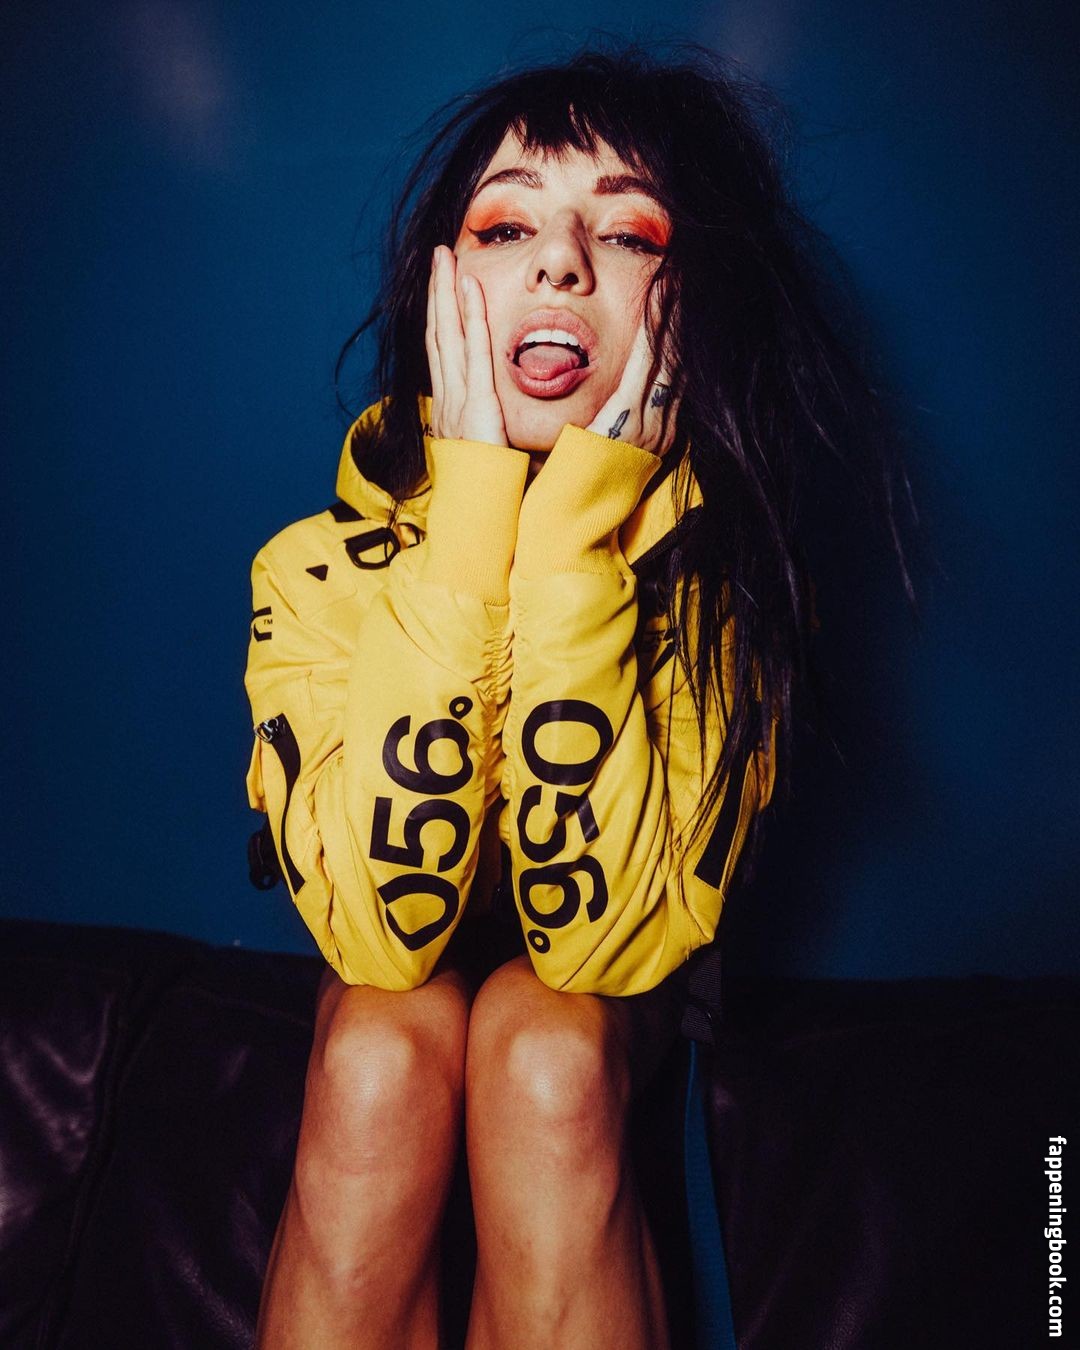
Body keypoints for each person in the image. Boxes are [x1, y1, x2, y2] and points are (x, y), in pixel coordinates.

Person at [243, 41, 917, 1349]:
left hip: (605, 1002)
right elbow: (381, 940)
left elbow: (593, 951)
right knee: (380, 1044)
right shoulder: (309, 569)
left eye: (626, 232)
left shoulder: (724, 586)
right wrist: (470, 517)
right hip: (396, 982)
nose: (560, 263)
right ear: (440, 289)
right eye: (508, 226)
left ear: (687, 304)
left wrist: (570, 540)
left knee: (542, 1043)